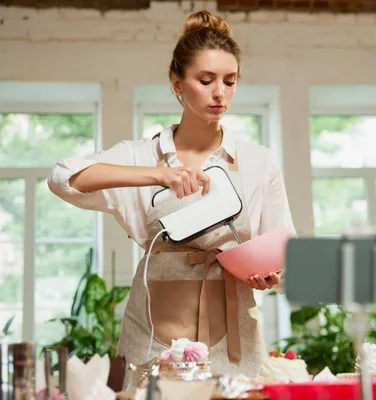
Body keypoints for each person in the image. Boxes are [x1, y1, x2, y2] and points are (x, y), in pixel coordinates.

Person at [47, 10, 295, 387]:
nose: (220, 93)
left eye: (230, 81)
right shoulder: (142, 155)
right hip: (150, 327)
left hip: (234, 329)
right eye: (206, 80)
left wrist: (271, 276)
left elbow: (284, 246)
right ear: (177, 84)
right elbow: (63, 177)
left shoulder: (258, 161)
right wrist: (158, 174)